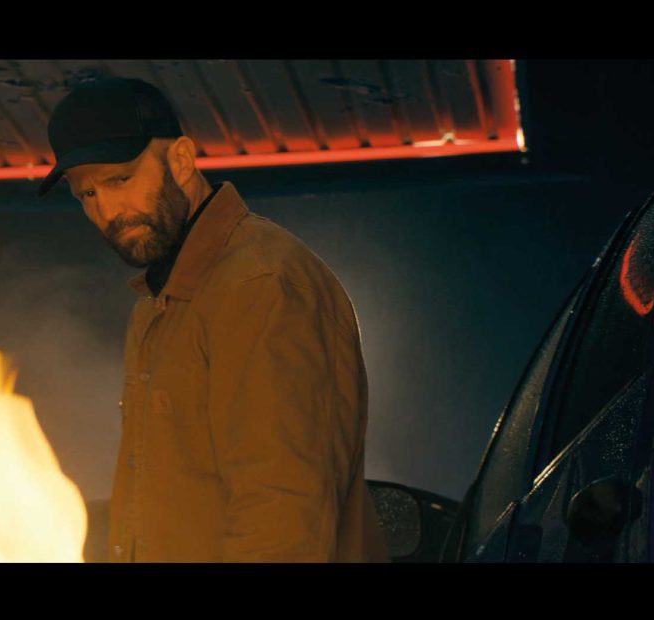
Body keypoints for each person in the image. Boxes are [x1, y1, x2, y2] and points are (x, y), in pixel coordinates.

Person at [36, 76, 389, 562]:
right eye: (87, 194)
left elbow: (280, 519)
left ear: (181, 160)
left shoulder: (260, 285)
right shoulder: (160, 302)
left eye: (120, 180)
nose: (109, 210)